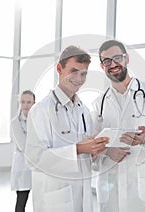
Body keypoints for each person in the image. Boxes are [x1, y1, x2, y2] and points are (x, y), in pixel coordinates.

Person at [91, 39, 145, 212]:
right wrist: (107, 151)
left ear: (127, 58)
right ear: (102, 66)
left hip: (143, 193)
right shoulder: (98, 104)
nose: (113, 64)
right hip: (110, 191)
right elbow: (92, 147)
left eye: (117, 58)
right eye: (107, 61)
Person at [24, 45, 109, 212]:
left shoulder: (83, 110)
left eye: (83, 73)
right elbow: (34, 158)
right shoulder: (41, 110)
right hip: (56, 198)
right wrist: (78, 149)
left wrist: (94, 149)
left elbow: (88, 158)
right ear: (59, 68)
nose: (78, 78)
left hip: (82, 196)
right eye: (73, 71)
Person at [11, 90, 35, 212]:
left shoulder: (38, 120)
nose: (26, 105)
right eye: (23, 102)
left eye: (29, 102)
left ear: (34, 103)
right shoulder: (15, 122)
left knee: (40, 201)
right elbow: (23, 146)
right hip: (23, 167)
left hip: (37, 166)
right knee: (21, 203)